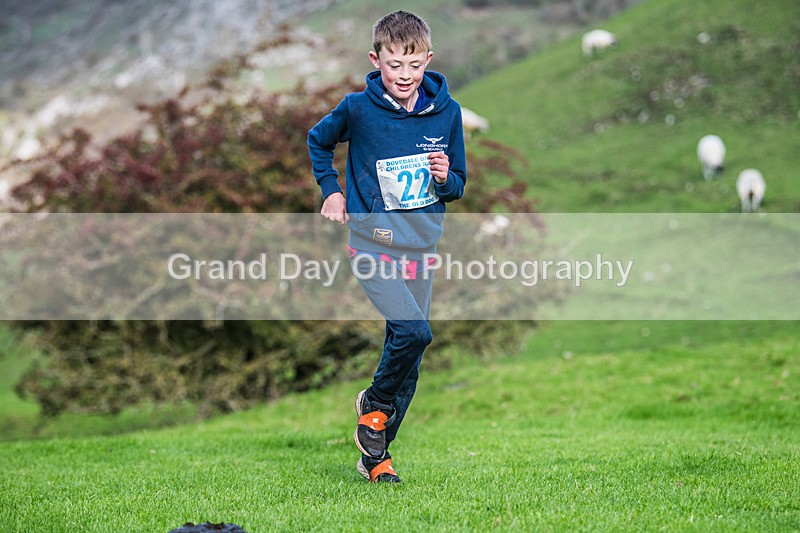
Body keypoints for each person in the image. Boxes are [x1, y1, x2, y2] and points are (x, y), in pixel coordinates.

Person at [307, 10, 466, 483]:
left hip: (422, 248)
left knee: (410, 361)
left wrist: (446, 177)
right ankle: (374, 403)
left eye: (414, 65)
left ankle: (375, 456)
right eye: (394, 65)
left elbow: (458, 185)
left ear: (428, 60)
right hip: (372, 245)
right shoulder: (358, 109)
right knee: (414, 333)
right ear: (376, 61)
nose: (404, 75)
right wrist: (332, 192)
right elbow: (318, 141)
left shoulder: (448, 113)